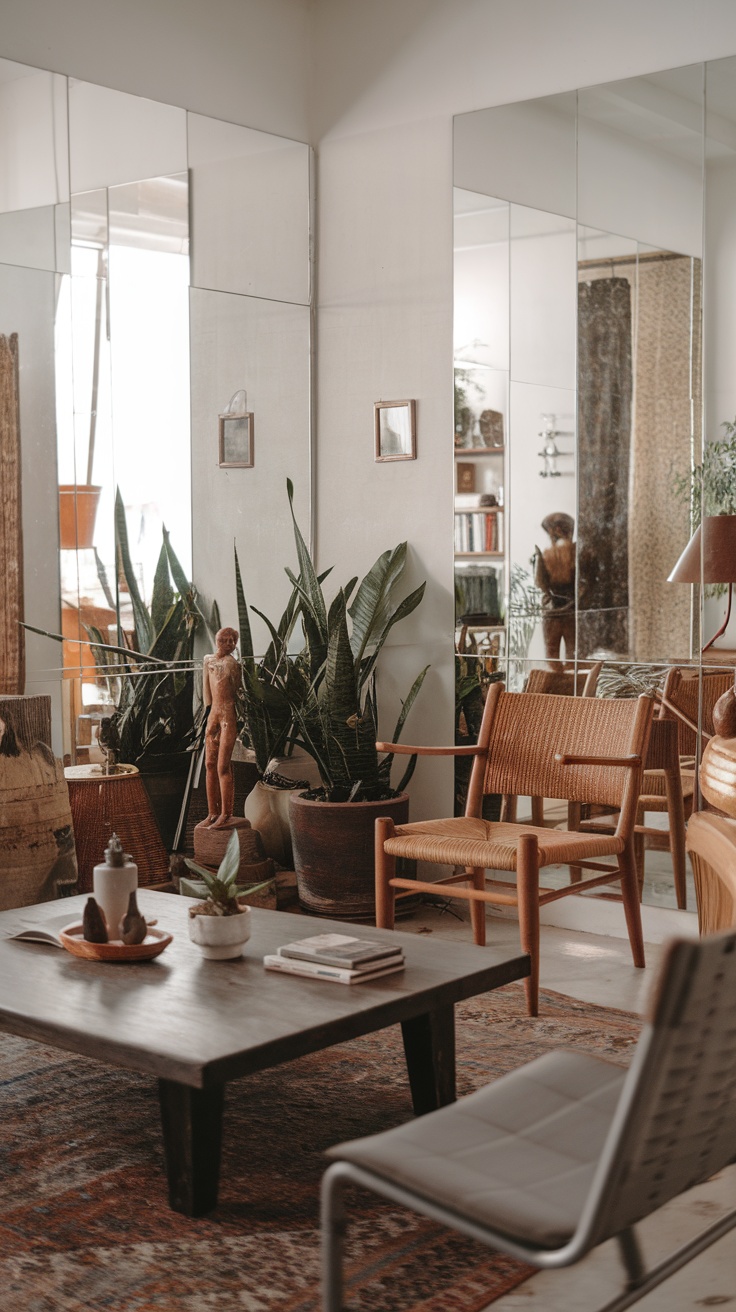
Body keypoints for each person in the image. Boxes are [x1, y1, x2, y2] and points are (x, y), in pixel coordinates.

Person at [203, 626, 241, 827]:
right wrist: (208, 712)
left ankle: (226, 813)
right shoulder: (208, 660)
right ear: (217, 640)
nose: (228, 644)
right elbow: (206, 692)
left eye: (232, 641)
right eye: (224, 640)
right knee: (209, 764)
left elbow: (236, 692)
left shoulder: (232, 664)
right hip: (213, 716)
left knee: (222, 766)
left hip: (228, 716)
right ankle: (212, 813)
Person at [534, 512, 576, 669]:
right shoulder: (576, 552)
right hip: (571, 609)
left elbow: (540, 583)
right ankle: (567, 686)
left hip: (553, 611)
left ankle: (559, 685)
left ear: (556, 530)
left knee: (552, 654)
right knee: (573, 655)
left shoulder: (547, 555)